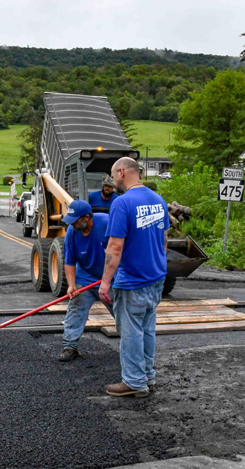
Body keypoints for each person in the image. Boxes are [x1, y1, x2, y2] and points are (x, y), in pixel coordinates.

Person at [98, 157, 169, 397]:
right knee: (147, 330)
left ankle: (134, 381)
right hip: (156, 279)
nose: (112, 181)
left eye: (112, 175)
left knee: (131, 332)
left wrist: (105, 281)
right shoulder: (158, 200)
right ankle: (148, 375)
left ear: (121, 172)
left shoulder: (122, 203)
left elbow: (115, 247)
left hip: (133, 282)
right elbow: (164, 241)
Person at [58, 200, 113, 362]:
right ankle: (70, 346)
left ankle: (130, 347)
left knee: (122, 311)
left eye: (75, 220)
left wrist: (109, 279)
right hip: (86, 278)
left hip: (110, 278)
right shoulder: (72, 232)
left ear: (87, 217)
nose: (72, 224)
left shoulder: (107, 223)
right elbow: (69, 261)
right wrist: (71, 285)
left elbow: (122, 248)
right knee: (76, 307)